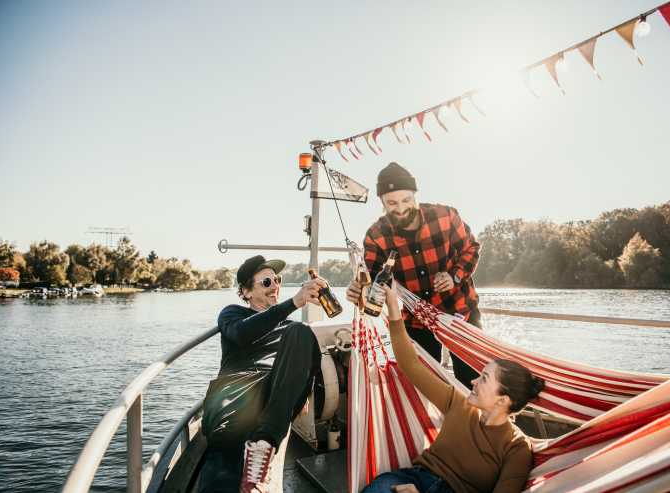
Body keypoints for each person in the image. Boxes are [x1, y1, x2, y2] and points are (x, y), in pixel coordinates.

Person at [363, 284, 545, 493]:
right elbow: (410, 364)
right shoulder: (459, 403)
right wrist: (393, 307)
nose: (473, 382)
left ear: (502, 400)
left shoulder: (516, 447)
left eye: (484, 379)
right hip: (414, 479)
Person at [347, 161, 482, 388]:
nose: (400, 208)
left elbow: (472, 248)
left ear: (415, 195)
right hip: (417, 319)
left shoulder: (445, 216)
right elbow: (372, 282)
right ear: (381, 202)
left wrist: (454, 276)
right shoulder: (375, 235)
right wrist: (359, 291)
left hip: (461, 311)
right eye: (391, 203)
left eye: (406, 200)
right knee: (421, 386)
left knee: (473, 383)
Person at [199, 255, 327, 493]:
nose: (276, 286)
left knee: (301, 331)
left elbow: (308, 362)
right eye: (266, 282)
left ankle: (266, 442)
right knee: (222, 471)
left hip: (275, 397)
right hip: (238, 396)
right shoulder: (233, 314)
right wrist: (293, 303)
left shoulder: (290, 330)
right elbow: (241, 333)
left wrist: (305, 392)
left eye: (277, 280)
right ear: (246, 292)